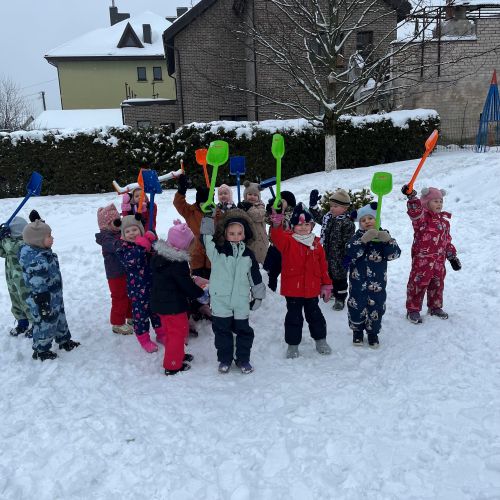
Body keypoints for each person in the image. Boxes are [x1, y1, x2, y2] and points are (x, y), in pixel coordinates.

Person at [200, 208, 266, 374]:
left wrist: (258, 296)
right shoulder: (218, 252)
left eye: (239, 233)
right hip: (220, 300)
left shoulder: (248, 255)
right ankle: (225, 359)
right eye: (231, 233)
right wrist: (208, 217)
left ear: (244, 234)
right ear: (225, 234)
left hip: (240, 301)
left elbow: (255, 276)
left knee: (244, 332)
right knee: (222, 332)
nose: (236, 236)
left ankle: (243, 359)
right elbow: (206, 239)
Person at [269, 202, 333, 359]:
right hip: (293, 289)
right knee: (294, 317)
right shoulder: (288, 241)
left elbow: (323, 266)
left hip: (312, 288)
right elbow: (276, 237)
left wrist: (326, 284)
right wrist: (276, 224)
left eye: (306, 224)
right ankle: (292, 344)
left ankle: (320, 340)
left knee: (315, 316)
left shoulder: (317, 244)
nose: (303, 227)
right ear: (293, 226)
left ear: (312, 225)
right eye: (299, 224)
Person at [19, 220, 80, 360]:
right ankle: (41, 350)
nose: (52, 238)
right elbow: (37, 283)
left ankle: (64, 340)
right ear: (38, 240)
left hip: (54, 295)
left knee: (60, 318)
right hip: (43, 299)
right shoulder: (36, 260)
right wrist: (42, 302)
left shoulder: (43, 252)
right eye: (49, 236)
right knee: (45, 323)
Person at [151, 220, 205, 375]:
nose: (191, 247)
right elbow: (186, 285)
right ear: (182, 245)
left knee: (172, 332)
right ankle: (172, 365)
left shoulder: (160, 256)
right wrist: (200, 293)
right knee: (177, 334)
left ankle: (178, 355)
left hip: (162, 304)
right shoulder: (177, 263)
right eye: (189, 244)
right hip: (173, 306)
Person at [401, 185, 461, 324]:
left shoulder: (444, 222)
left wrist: (451, 255)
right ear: (426, 203)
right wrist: (412, 198)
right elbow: (415, 213)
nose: (439, 204)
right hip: (422, 260)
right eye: (435, 201)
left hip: (439, 261)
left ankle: (435, 307)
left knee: (437, 284)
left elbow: (447, 240)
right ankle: (413, 310)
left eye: (441, 201)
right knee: (418, 283)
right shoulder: (422, 219)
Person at [345, 202, 401, 348]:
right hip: (358, 284)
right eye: (363, 220)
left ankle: (372, 333)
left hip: (377, 284)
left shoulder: (384, 237)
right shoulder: (357, 237)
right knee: (356, 307)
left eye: (370, 218)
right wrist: (363, 240)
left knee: (376, 308)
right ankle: (357, 331)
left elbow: (394, 255)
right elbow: (350, 253)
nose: (367, 221)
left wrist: (388, 241)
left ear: (377, 220)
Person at [115, 215, 162, 353]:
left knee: (157, 312)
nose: (131, 233)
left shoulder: (146, 243)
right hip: (137, 291)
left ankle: (161, 334)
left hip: (153, 286)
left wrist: (152, 240)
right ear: (123, 234)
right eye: (127, 231)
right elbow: (132, 260)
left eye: (134, 229)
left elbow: (157, 254)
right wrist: (142, 245)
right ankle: (144, 340)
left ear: (140, 230)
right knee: (141, 317)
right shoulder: (123, 249)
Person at [95, 203, 133, 335]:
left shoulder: (118, 233)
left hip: (126, 271)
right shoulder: (106, 238)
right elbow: (117, 246)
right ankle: (117, 323)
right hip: (115, 274)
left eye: (119, 220)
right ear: (107, 225)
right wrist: (127, 241)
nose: (120, 224)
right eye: (116, 222)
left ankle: (131, 316)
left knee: (130, 294)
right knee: (119, 297)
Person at [320, 189, 355, 311]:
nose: (332, 208)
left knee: (340, 279)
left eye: (335, 206)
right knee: (329, 276)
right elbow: (319, 221)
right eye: (331, 206)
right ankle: (332, 292)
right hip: (328, 255)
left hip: (340, 259)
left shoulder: (347, 223)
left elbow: (349, 242)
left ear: (345, 208)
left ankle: (340, 298)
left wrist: (348, 257)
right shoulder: (329, 218)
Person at [0, 216, 34, 337]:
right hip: (12, 281)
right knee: (16, 301)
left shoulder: (24, 243)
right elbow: (2, 251)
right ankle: (22, 322)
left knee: (27, 301)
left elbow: (11, 248)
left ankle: (35, 325)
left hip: (23, 281)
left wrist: (4, 238)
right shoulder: (9, 242)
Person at [173, 174, 211, 279]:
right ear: (198, 202)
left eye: (208, 203)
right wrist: (181, 191)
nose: (205, 206)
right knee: (197, 280)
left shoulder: (216, 213)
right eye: (202, 203)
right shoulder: (191, 212)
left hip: (212, 255)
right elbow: (179, 204)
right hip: (196, 253)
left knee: (211, 281)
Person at [263, 191, 296, 292]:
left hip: (284, 250)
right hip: (273, 247)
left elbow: (285, 225)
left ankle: (279, 291)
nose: (279, 202)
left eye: (282, 200)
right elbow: (266, 220)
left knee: (278, 271)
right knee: (267, 270)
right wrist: (270, 211)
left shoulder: (292, 213)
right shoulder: (277, 209)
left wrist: (280, 212)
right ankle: (269, 290)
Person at [237, 181, 268, 265]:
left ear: (258, 197)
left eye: (255, 195)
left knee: (260, 261)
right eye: (250, 194)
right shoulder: (243, 206)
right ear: (245, 195)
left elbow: (259, 216)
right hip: (248, 238)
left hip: (260, 239)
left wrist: (249, 208)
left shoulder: (261, 206)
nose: (252, 197)